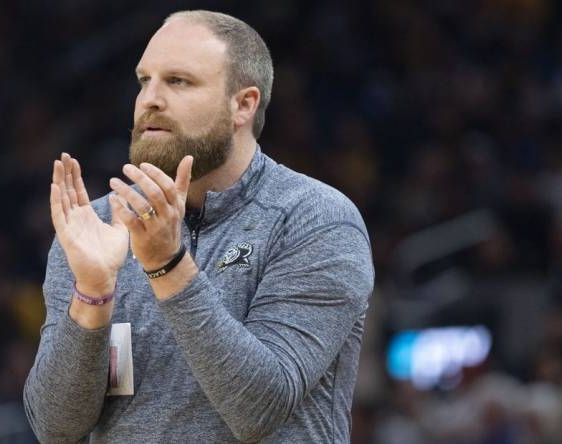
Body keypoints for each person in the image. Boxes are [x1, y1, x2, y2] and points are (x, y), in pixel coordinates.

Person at [23, 10, 374, 443]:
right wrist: (92, 293)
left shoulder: (316, 220)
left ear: (243, 104)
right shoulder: (94, 229)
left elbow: (258, 407)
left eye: (178, 81)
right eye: (143, 80)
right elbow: (55, 428)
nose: (150, 98)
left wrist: (168, 265)